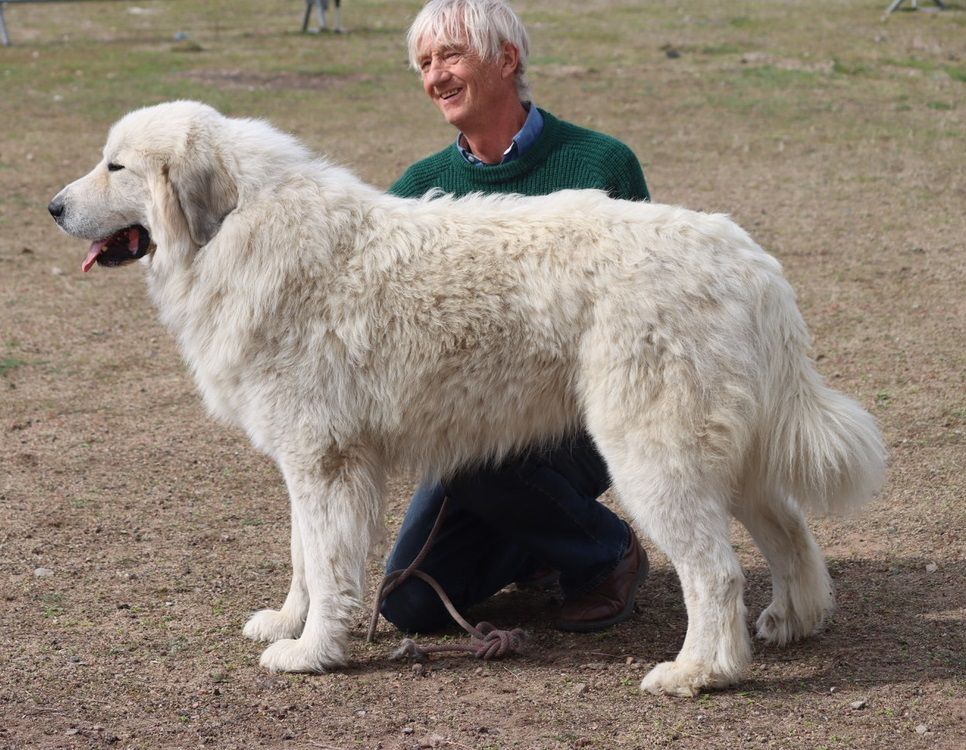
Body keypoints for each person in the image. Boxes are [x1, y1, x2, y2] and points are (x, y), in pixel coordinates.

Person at [380, 0, 651, 635]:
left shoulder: (601, 163)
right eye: (424, 63)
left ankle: (607, 554)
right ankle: (543, 541)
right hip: (476, 427)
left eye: (451, 55)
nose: (436, 76)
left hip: (584, 413)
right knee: (409, 604)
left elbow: (642, 307)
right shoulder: (417, 193)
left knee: (470, 449)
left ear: (507, 58)